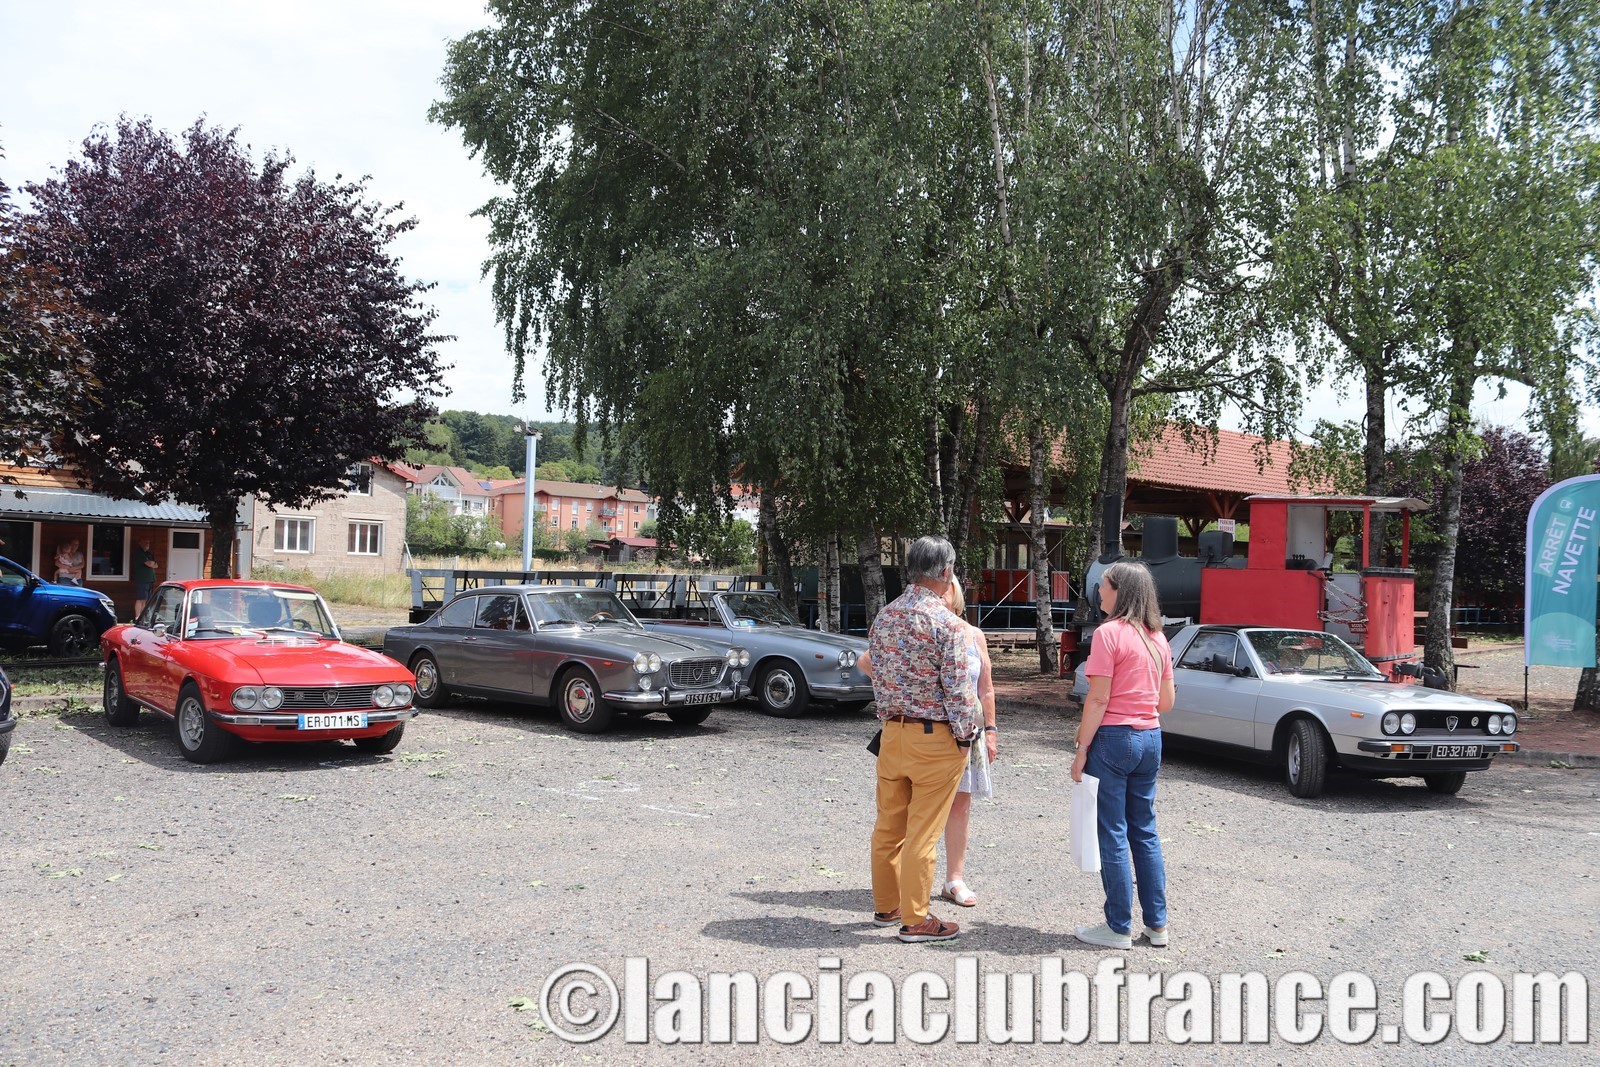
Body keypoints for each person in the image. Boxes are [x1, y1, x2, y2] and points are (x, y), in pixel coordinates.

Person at [867, 534, 979, 944]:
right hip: (934, 738)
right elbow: (959, 691)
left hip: (892, 733)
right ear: (947, 572)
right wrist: (966, 738)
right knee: (923, 833)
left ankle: (887, 906)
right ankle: (916, 920)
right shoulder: (947, 624)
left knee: (888, 826)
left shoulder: (884, 617)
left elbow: (877, 675)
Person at [1071, 559, 1174, 950]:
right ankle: (1157, 926)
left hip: (1114, 739)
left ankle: (1118, 927)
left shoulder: (1108, 633)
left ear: (1120, 591)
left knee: (1112, 832)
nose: (1099, 590)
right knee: (1144, 831)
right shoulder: (1158, 638)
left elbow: (1098, 698)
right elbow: (1166, 702)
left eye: (1104, 584)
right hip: (1151, 737)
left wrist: (1081, 749)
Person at [936, 579, 996, 907]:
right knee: (922, 806)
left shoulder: (974, 635)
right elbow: (870, 662)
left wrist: (992, 731)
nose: (938, 596)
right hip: (931, 732)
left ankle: (954, 879)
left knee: (960, 805)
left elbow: (985, 688)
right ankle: (910, 878)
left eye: (944, 590)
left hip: (969, 732)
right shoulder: (923, 631)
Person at [133, 536, 157, 619]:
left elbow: (156, 565)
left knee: (146, 599)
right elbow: (149, 564)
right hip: (142, 579)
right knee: (140, 598)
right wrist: (151, 563)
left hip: (150, 580)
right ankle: (137, 617)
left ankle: (142, 617)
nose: (147, 544)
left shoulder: (148, 554)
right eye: (145, 542)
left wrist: (151, 563)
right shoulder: (139, 553)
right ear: (140, 543)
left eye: (148, 542)